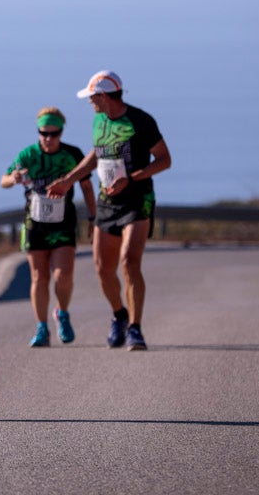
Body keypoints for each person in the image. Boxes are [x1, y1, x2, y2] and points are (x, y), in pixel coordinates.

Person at [47, 71, 170, 351]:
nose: (89, 102)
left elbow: (164, 160)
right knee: (103, 269)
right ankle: (119, 316)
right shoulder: (99, 119)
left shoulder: (141, 121)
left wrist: (134, 176)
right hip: (107, 203)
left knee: (129, 262)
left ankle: (136, 330)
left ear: (103, 96)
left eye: (91, 97)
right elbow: (96, 154)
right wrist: (69, 180)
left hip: (137, 200)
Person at [0, 107, 97, 348]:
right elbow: (4, 180)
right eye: (43, 133)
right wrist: (14, 179)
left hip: (63, 223)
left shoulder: (72, 154)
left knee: (63, 276)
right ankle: (41, 327)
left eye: (54, 134)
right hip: (35, 223)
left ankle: (61, 313)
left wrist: (94, 219)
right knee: (38, 277)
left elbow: (86, 187)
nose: (48, 138)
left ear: (61, 133)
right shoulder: (28, 155)